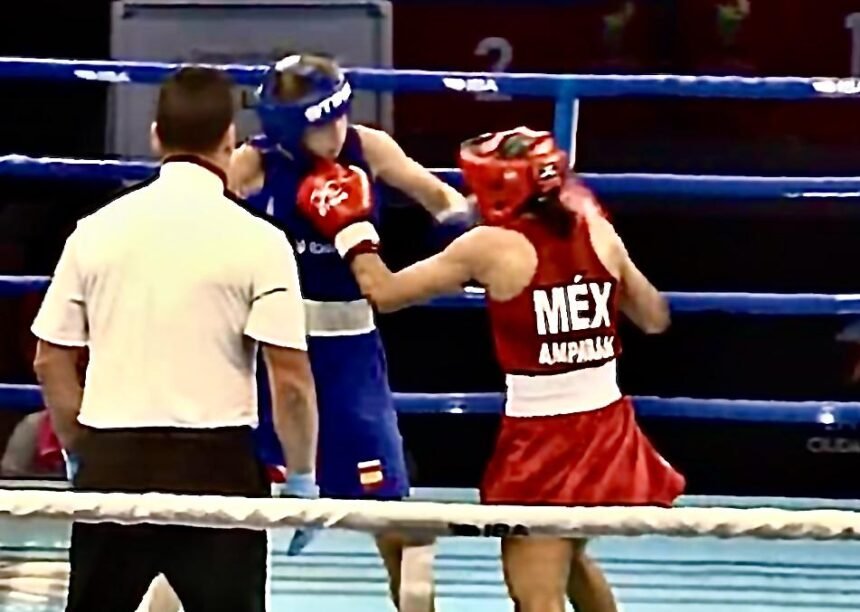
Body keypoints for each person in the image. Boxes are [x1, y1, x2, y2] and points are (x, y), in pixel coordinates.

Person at [294, 126, 686, 612]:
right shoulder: (596, 228)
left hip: (545, 439)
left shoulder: (491, 247)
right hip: (608, 428)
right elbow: (653, 317)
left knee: (534, 594)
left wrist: (352, 229)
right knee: (567, 554)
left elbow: (386, 293)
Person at [31, 66, 318, 612]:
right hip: (217, 466)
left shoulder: (95, 230)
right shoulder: (261, 240)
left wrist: (80, 450)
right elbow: (291, 381)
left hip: (114, 459)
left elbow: (51, 359)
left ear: (155, 136)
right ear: (230, 139)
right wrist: (302, 473)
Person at [229, 53, 469, 609]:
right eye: (320, 124)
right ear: (288, 128)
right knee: (230, 513)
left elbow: (443, 199)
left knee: (395, 521)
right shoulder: (252, 165)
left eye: (340, 116)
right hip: (271, 354)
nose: (336, 132)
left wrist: (456, 242)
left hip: (352, 355)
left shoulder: (370, 147)